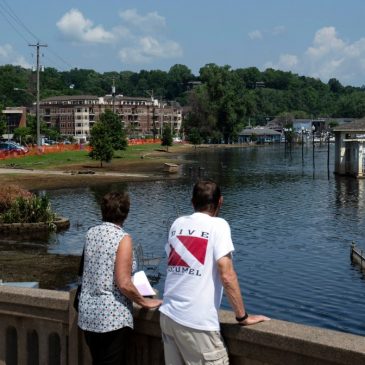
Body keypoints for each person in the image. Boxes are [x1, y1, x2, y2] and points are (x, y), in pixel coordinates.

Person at [159, 180, 270, 364]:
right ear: (220, 202)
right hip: (196, 323)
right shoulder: (218, 225)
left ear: (192, 202)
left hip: (168, 317)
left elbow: (175, 264)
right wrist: (242, 317)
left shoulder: (177, 224)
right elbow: (226, 275)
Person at [78, 191, 162, 365]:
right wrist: (144, 302)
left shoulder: (90, 233)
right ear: (126, 213)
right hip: (111, 318)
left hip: (87, 313)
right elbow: (124, 283)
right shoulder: (123, 238)